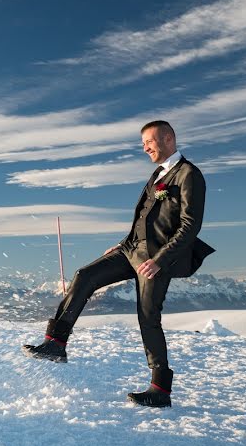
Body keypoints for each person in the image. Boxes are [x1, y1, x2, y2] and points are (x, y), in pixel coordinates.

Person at [22, 121, 214, 407]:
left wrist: (160, 260)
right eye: (143, 144)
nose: (144, 148)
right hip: (131, 250)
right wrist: (124, 243)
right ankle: (56, 343)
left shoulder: (189, 175)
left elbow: (189, 226)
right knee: (85, 275)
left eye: (149, 142)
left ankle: (160, 390)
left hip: (156, 258)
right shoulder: (156, 175)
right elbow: (145, 219)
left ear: (169, 138)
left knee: (148, 317)